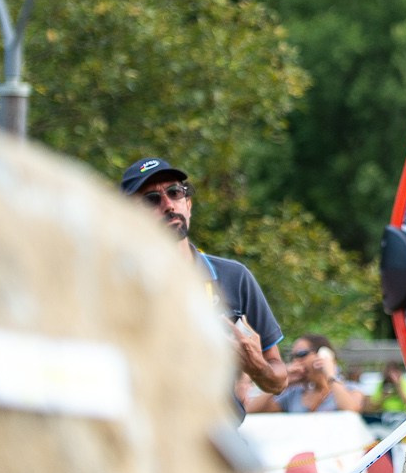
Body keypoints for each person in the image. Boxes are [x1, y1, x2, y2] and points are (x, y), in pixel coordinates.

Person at [122, 156, 287, 410]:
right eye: (151, 199)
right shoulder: (116, 285)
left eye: (175, 192)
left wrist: (257, 366)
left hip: (214, 441)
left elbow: (278, 380)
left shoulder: (234, 277)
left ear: (188, 203)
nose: (168, 205)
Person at [248, 333, 367, 414]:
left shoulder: (351, 389)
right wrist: (282, 382)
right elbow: (250, 411)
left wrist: (330, 374)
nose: (295, 362)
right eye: (293, 357)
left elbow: (351, 411)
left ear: (322, 354)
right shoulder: (293, 395)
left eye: (301, 355)